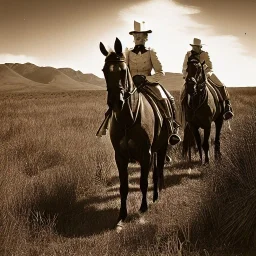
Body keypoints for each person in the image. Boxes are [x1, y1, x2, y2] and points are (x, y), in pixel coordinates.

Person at [125, 20, 181, 146]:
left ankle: (171, 130)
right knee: (117, 101)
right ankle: (109, 126)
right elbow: (124, 70)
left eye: (141, 34)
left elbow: (160, 72)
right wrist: (131, 80)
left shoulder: (151, 52)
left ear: (146, 37)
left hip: (148, 84)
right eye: (136, 34)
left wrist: (146, 79)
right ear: (133, 37)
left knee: (166, 98)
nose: (138, 36)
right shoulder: (127, 52)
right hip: (132, 85)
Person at [182, 38, 234, 120]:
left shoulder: (205, 54)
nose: (195, 48)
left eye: (196, 47)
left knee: (221, 85)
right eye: (193, 46)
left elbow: (210, 67)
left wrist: (206, 75)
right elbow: (184, 67)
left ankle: (227, 107)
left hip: (206, 73)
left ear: (200, 47)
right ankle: (184, 112)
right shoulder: (188, 54)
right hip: (192, 76)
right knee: (183, 91)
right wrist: (187, 76)